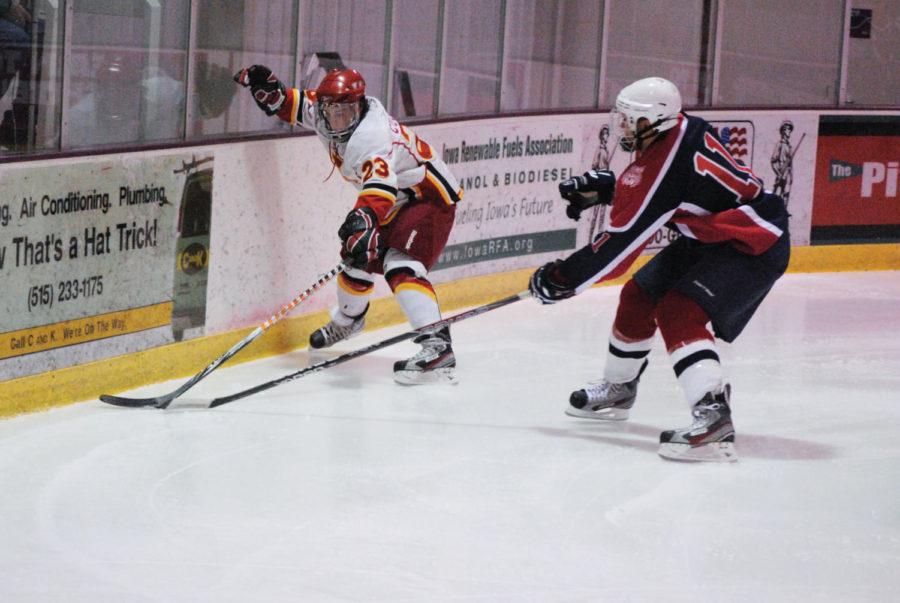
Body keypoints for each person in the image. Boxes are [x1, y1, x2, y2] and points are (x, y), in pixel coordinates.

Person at [529, 77, 790, 462]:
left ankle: (713, 415)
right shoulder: (679, 131)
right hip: (713, 235)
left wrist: (562, 278)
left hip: (752, 242)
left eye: (629, 120)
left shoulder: (665, 166)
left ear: (656, 121)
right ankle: (619, 389)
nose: (622, 128)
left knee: (679, 311)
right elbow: (674, 191)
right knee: (639, 296)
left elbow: (617, 251)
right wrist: (615, 189)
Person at [235, 64, 463, 384]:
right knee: (356, 255)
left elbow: (381, 184)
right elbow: (295, 105)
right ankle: (348, 320)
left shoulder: (372, 136)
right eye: (331, 112)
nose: (336, 119)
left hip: (427, 199)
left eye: (345, 111)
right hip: (396, 199)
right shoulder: (326, 111)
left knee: (400, 265)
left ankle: (437, 346)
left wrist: (366, 217)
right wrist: (273, 95)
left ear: (358, 106)